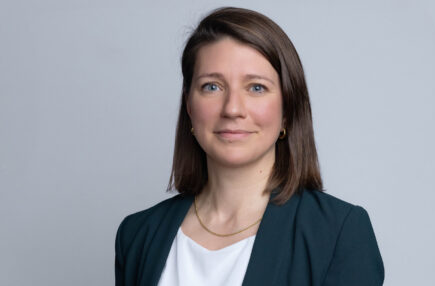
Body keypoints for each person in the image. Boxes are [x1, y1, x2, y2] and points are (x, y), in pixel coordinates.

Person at [115, 7, 384, 286]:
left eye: (256, 87)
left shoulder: (337, 232)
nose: (232, 109)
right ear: (189, 106)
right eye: (212, 86)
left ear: (287, 109)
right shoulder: (137, 235)